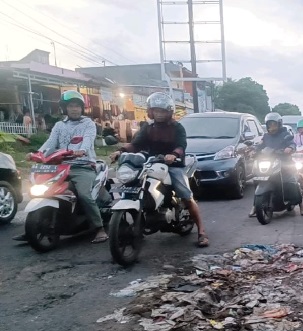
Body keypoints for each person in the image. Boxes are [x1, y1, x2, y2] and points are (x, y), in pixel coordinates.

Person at [109, 92, 209, 248]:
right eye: (156, 111)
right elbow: (136, 144)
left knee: (186, 196)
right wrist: (121, 151)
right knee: (133, 183)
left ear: (169, 112)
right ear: (151, 111)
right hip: (150, 162)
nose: (159, 114)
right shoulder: (148, 128)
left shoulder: (177, 128)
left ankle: (202, 232)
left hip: (173, 164)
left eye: (162, 111)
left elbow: (181, 145)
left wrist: (174, 154)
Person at [13, 91, 108, 243]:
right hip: (60, 166)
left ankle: (99, 228)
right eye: (71, 106)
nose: (74, 109)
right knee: (42, 189)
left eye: (77, 106)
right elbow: (50, 143)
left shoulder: (88, 124)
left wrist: (81, 150)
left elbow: (88, 140)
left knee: (84, 195)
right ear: (65, 108)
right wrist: (37, 154)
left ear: (82, 108)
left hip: (82, 166)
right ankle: (32, 228)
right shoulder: (59, 125)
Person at [248, 112, 301, 216]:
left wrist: (290, 148)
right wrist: (253, 150)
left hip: (283, 162)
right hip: (269, 163)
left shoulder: (286, 135)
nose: (272, 127)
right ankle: (255, 205)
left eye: (274, 124)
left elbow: (292, 143)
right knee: (257, 179)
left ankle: (300, 203)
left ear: (279, 124)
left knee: (290, 181)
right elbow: (260, 146)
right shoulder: (266, 136)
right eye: (269, 125)